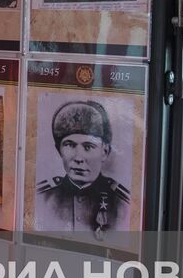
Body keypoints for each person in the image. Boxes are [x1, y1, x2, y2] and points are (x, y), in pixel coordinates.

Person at [34, 100, 131, 239]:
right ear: (59, 149)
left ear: (105, 151)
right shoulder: (43, 198)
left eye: (88, 147)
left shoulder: (122, 205)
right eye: (69, 145)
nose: (78, 158)